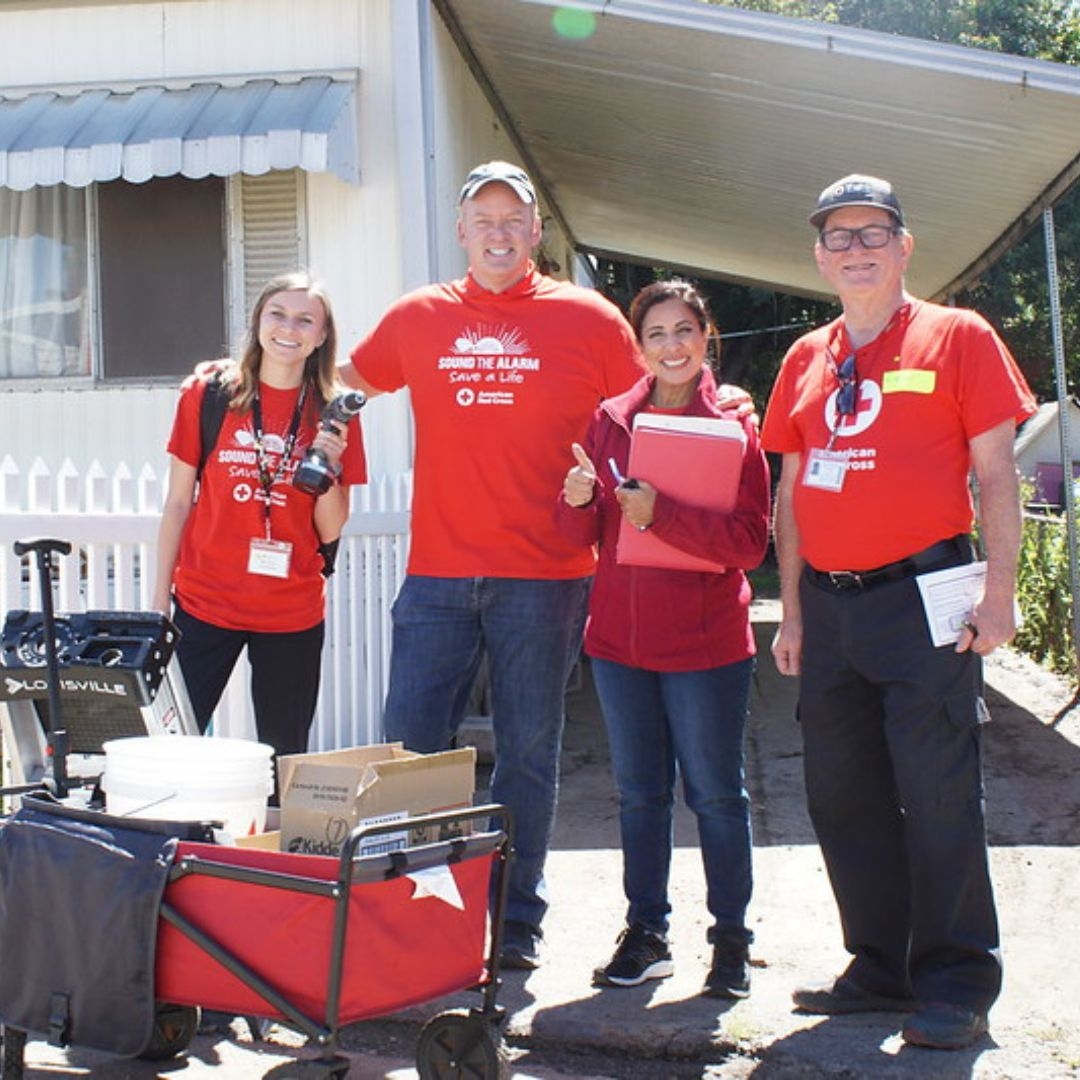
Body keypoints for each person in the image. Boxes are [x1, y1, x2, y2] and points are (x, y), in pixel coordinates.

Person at [337, 160, 646, 969]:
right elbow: (341, 386)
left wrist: (728, 410)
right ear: (462, 231)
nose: (500, 233)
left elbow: (656, 407)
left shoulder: (590, 318)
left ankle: (513, 920)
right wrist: (240, 384)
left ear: (536, 230)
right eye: (485, 219)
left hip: (547, 577)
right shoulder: (418, 317)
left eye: (515, 219)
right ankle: (403, 915)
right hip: (437, 573)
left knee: (527, 752)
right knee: (408, 750)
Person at [760, 175, 1036, 1049]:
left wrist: (1000, 591)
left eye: (871, 233)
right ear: (819, 256)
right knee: (843, 795)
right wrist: (794, 613)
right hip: (833, 610)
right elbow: (793, 496)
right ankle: (880, 965)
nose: (855, 250)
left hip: (928, 597)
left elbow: (997, 474)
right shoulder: (806, 357)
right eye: (838, 237)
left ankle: (956, 980)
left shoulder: (959, 337)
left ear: (904, 246)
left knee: (939, 790)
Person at [556, 279, 770, 998]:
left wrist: (661, 514)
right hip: (619, 642)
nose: (672, 346)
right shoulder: (609, 421)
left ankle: (731, 943)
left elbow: (748, 543)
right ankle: (646, 933)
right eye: (657, 335)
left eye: (684, 331)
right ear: (639, 346)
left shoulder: (735, 422)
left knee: (715, 796)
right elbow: (583, 535)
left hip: (706, 646)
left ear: (706, 336)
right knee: (639, 795)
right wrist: (577, 501)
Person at [153, 270, 367, 764]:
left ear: (320, 337)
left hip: (290, 611)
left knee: (284, 757)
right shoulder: (208, 395)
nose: (289, 328)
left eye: (305, 320)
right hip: (206, 603)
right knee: (173, 748)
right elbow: (178, 503)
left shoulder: (335, 412)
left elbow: (332, 529)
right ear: (258, 322)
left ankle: (269, 840)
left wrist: (329, 465)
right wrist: (156, 603)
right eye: (278, 314)